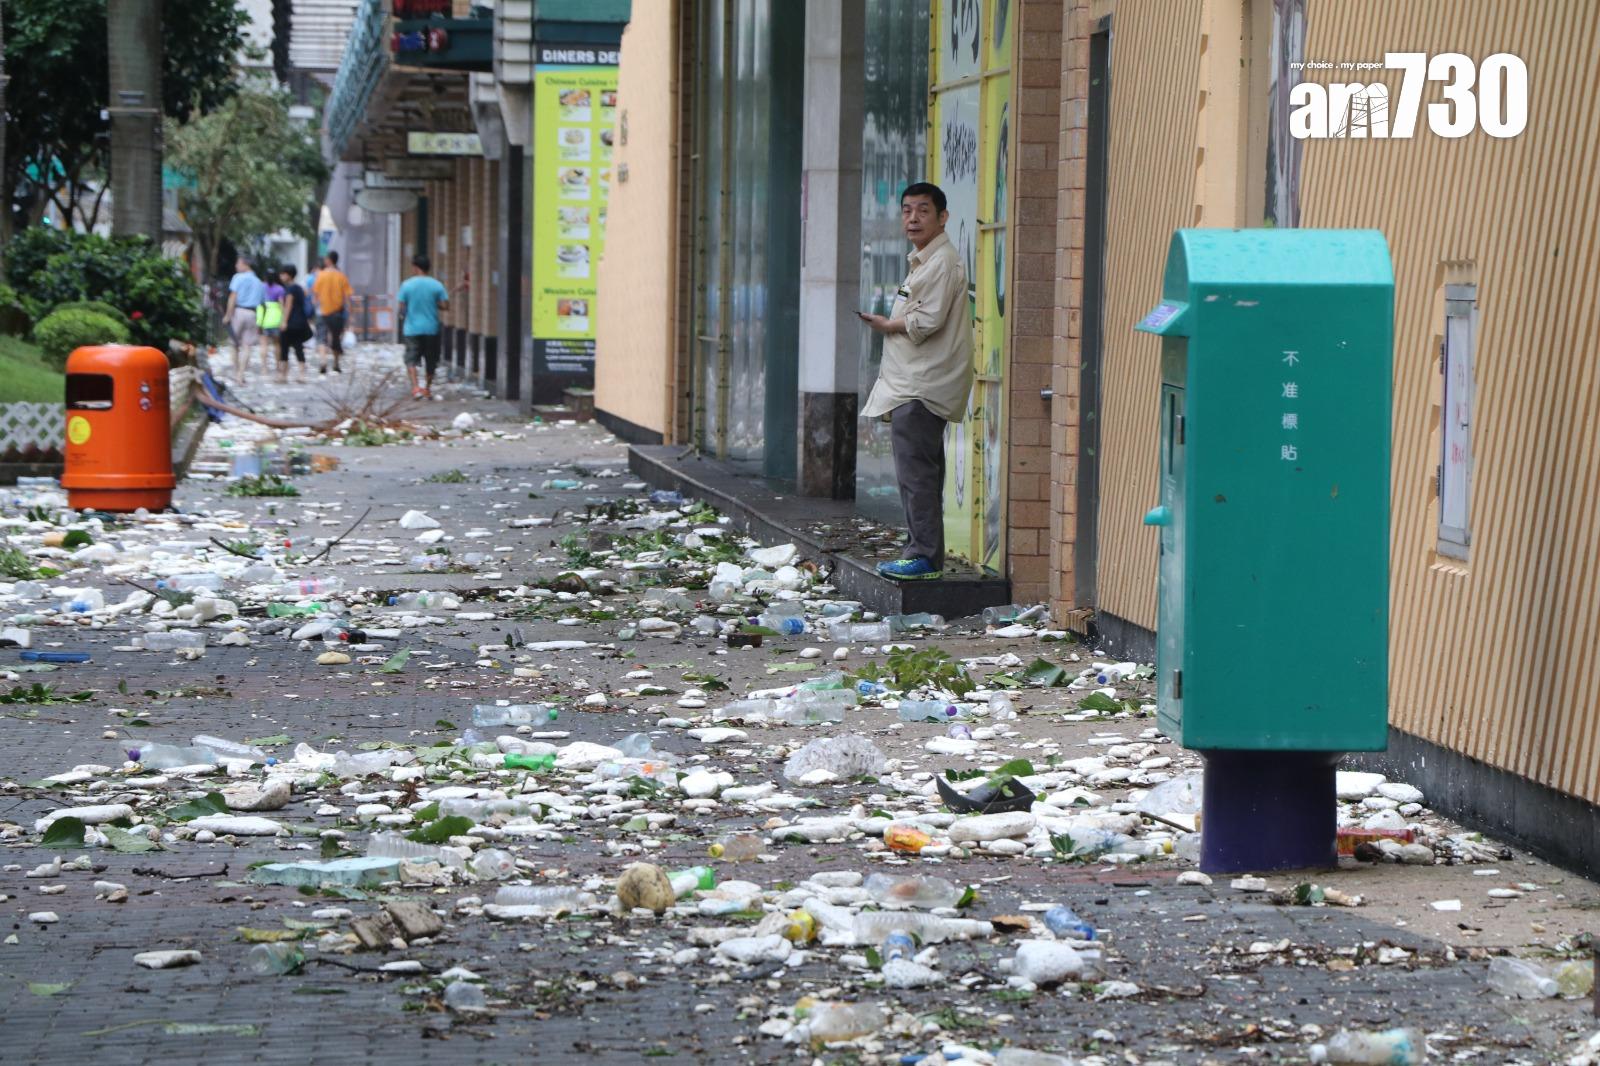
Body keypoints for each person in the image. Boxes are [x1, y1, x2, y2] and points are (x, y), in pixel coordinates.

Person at [857, 181, 972, 581]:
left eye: (923, 210)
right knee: (920, 474)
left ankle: (922, 556)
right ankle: (923, 552)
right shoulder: (925, 260)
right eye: (907, 210)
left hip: (921, 387)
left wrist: (888, 324)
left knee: (916, 476)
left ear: (942, 217)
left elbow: (927, 321)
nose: (913, 218)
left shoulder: (942, 262)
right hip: (913, 384)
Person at [397, 253, 450, 399]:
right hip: (431, 328)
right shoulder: (437, 285)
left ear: (415, 267)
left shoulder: (406, 285)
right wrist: (435, 304)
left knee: (411, 358)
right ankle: (427, 388)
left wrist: (403, 314)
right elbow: (445, 305)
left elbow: (402, 307)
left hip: (412, 328)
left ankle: (415, 387)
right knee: (430, 360)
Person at [223, 257, 266, 382]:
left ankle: (236, 371)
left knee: (234, 344)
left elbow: (233, 297)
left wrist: (227, 315)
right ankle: (241, 374)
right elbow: (263, 304)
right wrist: (261, 322)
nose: (236, 266)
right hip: (253, 313)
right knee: (247, 346)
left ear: (245, 264)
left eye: (238, 263)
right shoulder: (259, 282)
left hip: (238, 312)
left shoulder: (238, 278)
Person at [312, 250, 353, 374]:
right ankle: (335, 363)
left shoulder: (321, 275)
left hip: (322, 311)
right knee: (336, 338)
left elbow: (315, 294)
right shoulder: (342, 276)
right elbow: (347, 296)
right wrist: (350, 314)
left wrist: (315, 304)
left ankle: (323, 361)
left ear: (329, 260)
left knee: (321, 337)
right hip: (337, 312)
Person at [276, 264, 313, 384]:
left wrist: (284, 321)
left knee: (284, 348)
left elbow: (289, 306)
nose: (281, 276)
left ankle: (283, 376)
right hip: (300, 322)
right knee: (298, 348)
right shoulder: (299, 288)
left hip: (291, 323)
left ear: (288, 275)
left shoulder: (290, 289)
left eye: (283, 274)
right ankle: (302, 375)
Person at [257, 268, 285, 374]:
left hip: (263, 318)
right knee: (277, 344)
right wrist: (283, 319)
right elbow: (282, 304)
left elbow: (258, 302)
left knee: (264, 344)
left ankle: (264, 368)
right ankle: (278, 366)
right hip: (275, 319)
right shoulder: (280, 289)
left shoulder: (261, 287)